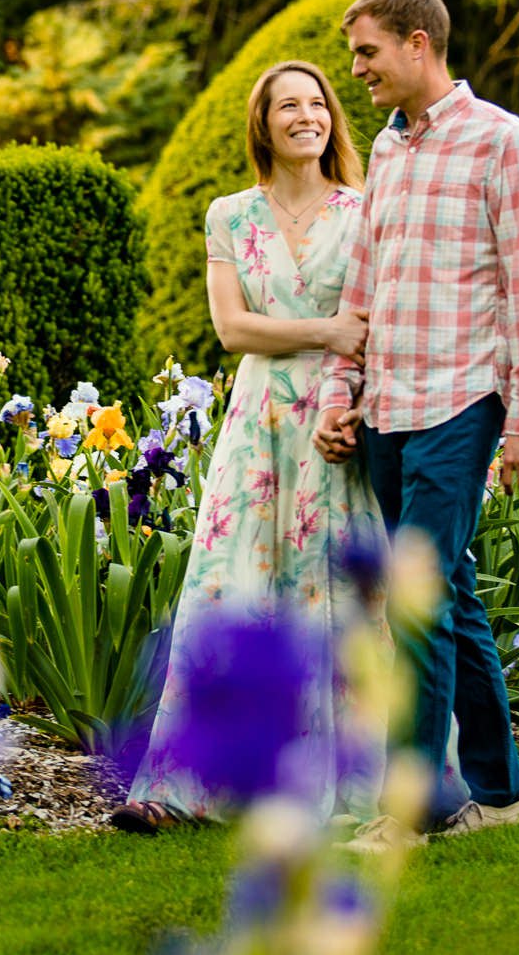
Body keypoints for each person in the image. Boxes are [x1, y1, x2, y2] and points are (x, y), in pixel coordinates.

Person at [313, 0, 519, 848]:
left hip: (462, 400)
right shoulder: (388, 150)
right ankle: (499, 792)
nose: (358, 70)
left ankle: (409, 809)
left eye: (369, 51)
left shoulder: (503, 142)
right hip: (388, 407)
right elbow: (365, 280)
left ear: (420, 43)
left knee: (414, 600)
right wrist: (341, 391)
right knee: (449, 593)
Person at [108, 60, 380, 833]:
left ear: (333, 119)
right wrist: (325, 329)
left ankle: (325, 779)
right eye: (287, 105)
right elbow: (232, 329)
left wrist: (345, 374)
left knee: (328, 597)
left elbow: (373, 331)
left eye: (317, 103)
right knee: (230, 593)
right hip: (257, 428)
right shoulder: (229, 214)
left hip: (333, 426)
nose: (307, 116)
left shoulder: (365, 212)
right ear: (262, 124)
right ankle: (180, 785)